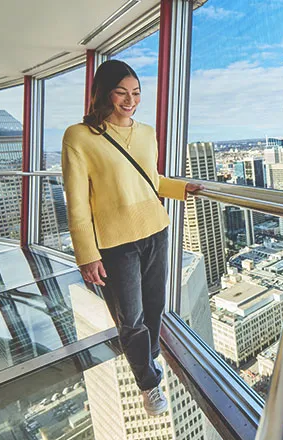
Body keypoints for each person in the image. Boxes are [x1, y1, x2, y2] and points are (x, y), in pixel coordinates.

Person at [62, 60, 203, 416]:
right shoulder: (79, 136)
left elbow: (150, 179)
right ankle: (149, 384)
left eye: (136, 93)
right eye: (122, 92)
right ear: (104, 93)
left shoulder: (146, 132)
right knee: (131, 317)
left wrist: (180, 187)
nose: (130, 100)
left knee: (155, 307)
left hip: (156, 228)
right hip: (115, 242)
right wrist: (86, 254)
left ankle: (147, 359)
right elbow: (77, 202)